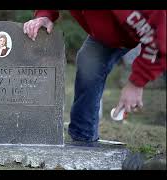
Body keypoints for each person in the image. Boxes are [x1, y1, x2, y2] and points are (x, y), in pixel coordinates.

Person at [23, 10, 166, 142]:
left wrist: (136, 84)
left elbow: (159, 39)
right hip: (107, 35)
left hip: (156, 32)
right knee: (87, 62)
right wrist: (45, 15)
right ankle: (82, 139)